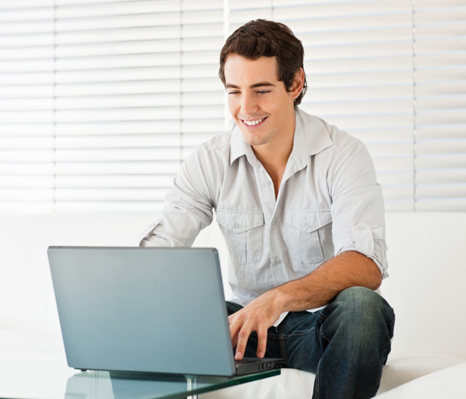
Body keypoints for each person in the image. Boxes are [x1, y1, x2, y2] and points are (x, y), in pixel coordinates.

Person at [139, 19, 395, 399]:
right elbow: (166, 241)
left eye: (261, 90)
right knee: (168, 313)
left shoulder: (343, 154)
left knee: (362, 307)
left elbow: (364, 265)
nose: (245, 108)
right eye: (234, 92)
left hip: (317, 329)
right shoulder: (210, 160)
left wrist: (275, 300)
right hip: (241, 330)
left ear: (295, 84)